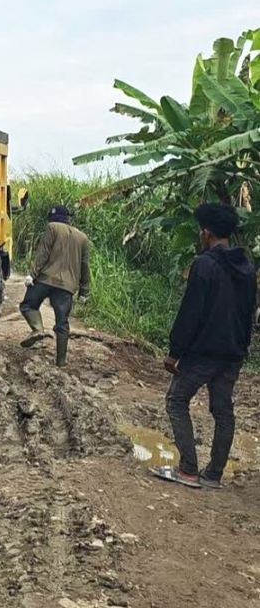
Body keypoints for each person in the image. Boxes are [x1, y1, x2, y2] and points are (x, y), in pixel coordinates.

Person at [151, 203, 255, 490]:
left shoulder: (205, 265)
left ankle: (187, 470)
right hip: (233, 352)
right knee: (223, 410)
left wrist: (175, 352)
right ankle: (213, 475)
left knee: (176, 400)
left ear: (206, 233)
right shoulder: (246, 267)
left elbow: (191, 312)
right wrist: (242, 346)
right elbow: (249, 312)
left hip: (204, 352)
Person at [19, 205, 91, 366]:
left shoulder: (52, 227)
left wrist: (32, 274)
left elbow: (43, 253)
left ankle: (38, 329)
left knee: (28, 305)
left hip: (46, 279)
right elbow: (85, 266)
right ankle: (61, 361)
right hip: (67, 286)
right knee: (62, 324)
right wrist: (84, 291)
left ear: (53, 218)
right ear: (68, 219)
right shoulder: (83, 238)